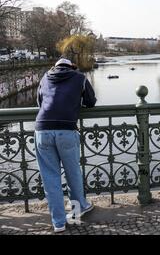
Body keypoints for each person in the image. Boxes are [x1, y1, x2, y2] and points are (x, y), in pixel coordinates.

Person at [35, 58, 97, 233]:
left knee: (50, 178)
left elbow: (39, 103)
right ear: (72, 67)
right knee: (73, 172)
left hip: (42, 130)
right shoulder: (79, 78)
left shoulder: (45, 77)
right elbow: (90, 102)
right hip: (66, 131)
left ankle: (58, 223)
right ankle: (78, 210)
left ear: (55, 67)